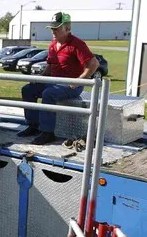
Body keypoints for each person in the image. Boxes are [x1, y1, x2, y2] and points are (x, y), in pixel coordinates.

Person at [17, 12, 99, 145]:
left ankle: (47, 132)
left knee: (48, 94)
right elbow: (50, 65)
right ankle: (33, 126)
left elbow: (94, 63)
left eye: (57, 28)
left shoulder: (77, 44)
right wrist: (40, 78)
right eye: (52, 28)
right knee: (28, 90)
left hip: (71, 85)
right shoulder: (53, 44)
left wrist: (79, 80)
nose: (54, 31)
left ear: (67, 29)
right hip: (52, 82)